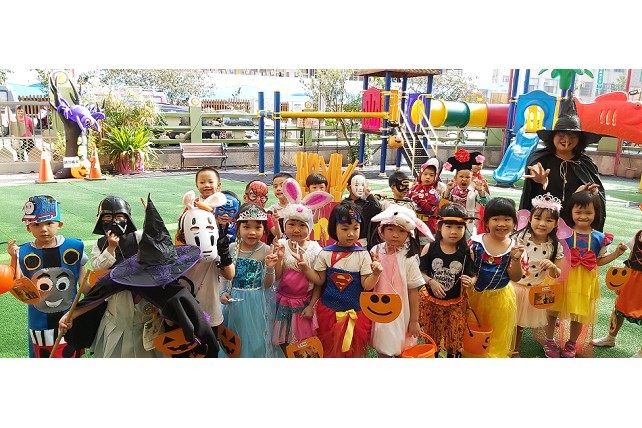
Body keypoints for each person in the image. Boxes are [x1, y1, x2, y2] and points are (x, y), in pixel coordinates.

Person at [543, 191, 627, 358]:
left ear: (596, 213)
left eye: (588, 212)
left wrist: (616, 254)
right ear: (571, 212)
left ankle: (571, 343)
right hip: (561, 276)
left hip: (585, 281)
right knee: (552, 310)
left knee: (579, 314)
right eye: (578, 212)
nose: (583, 216)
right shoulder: (563, 232)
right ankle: (549, 340)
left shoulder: (600, 237)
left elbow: (598, 261)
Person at [82, 195, 167, 358]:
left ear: (127, 218)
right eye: (108, 217)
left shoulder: (138, 237)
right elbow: (98, 267)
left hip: (143, 295)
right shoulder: (99, 244)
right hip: (116, 300)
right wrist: (111, 248)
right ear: (100, 219)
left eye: (119, 216)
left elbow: (157, 249)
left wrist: (152, 222)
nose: (114, 221)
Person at [297, 200, 382, 357]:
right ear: (334, 228)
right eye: (345, 228)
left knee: (352, 352)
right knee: (329, 349)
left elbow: (366, 285)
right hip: (329, 313)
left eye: (355, 228)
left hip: (355, 313)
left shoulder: (363, 255)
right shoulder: (326, 253)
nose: (351, 233)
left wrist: (375, 274)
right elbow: (320, 281)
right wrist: (306, 268)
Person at [7, 195, 88, 358]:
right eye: (36, 224)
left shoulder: (74, 247)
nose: (43, 229)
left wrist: (98, 296)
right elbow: (20, 286)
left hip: (69, 317)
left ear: (59, 224)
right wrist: (14, 258)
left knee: (69, 353)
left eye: (49, 223)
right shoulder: (23, 252)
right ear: (28, 227)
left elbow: (85, 285)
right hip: (39, 320)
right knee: (42, 353)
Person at [520, 99, 606, 231]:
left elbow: (597, 199)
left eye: (573, 135)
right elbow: (535, 168)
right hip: (544, 226)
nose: (566, 139)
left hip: (574, 226)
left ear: (580, 140)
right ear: (553, 136)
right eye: (561, 134)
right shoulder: (541, 157)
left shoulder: (585, 163)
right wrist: (538, 177)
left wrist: (586, 195)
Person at [271, 179, 333, 353]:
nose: (296, 230)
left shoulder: (315, 249)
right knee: (283, 338)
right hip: (283, 301)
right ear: (285, 225)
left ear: (310, 227)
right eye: (291, 224)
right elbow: (277, 277)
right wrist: (279, 259)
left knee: (304, 342)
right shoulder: (282, 245)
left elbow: (319, 282)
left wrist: (311, 305)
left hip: (304, 303)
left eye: (301, 225)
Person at [368, 204, 432, 357]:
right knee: (382, 346)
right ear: (382, 230)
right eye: (390, 229)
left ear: (408, 234)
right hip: (378, 307)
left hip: (401, 311)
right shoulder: (375, 251)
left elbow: (413, 291)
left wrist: (414, 320)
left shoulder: (409, 257)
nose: (395, 235)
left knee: (401, 347)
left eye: (401, 231)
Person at [219, 203, 282, 358]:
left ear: (264, 229)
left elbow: (267, 285)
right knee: (232, 339)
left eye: (258, 227)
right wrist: (222, 293)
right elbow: (224, 276)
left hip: (255, 303)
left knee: (255, 341)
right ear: (238, 228)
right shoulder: (232, 248)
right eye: (246, 227)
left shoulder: (266, 250)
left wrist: (269, 267)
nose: (252, 232)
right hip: (232, 302)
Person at [467, 197, 524, 358]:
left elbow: (516, 277)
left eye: (507, 219)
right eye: (496, 219)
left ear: (514, 222)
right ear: (486, 221)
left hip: (500, 300)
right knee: (471, 333)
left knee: (496, 337)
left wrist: (516, 259)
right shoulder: (474, 243)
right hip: (472, 297)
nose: (501, 224)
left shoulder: (515, 247)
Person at [511, 193, 565, 358]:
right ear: (529, 219)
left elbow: (557, 274)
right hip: (512, 287)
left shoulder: (554, 246)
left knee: (519, 325)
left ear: (556, 224)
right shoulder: (519, 238)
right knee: (506, 321)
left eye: (549, 220)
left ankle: (514, 350)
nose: (542, 223)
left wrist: (552, 266)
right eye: (538, 218)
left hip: (532, 291)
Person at [419, 203, 476, 358]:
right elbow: (420, 273)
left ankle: (453, 355)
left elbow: (473, 274)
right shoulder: (430, 248)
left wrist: (471, 281)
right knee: (432, 336)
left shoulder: (467, 252)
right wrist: (431, 281)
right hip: (431, 303)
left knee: (454, 337)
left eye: (459, 227)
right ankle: (433, 355)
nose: (454, 231)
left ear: (465, 228)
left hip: (456, 304)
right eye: (449, 226)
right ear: (439, 227)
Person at [592, 226, 642, 358]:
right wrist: (622, 279)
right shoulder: (638, 234)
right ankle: (611, 337)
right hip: (632, 277)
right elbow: (631, 258)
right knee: (619, 306)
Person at [443, 149, 489, 236]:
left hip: (469, 224)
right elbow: (443, 201)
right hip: (453, 222)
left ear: (471, 178)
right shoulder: (452, 190)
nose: (464, 179)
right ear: (456, 177)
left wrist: (480, 191)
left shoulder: (474, 192)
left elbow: (486, 203)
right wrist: (448, 190)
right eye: (461, 176)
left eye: (467, 177)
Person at [407, 158, 446, 235]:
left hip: (427, 226)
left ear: (435, 177)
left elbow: (429, 209)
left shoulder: (433, 193)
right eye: (425, 174)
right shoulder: (414, 188)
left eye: (431, 175)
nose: (428, 177)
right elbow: (407, 200)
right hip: (412, 224)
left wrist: (418, 199)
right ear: (420, 174)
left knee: (425, 242)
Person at [343, 172, 382, 248]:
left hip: (363, 243)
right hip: (346, 240)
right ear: (348, 188)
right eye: (356, 185)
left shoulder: (367, 204)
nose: (360, 188)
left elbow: (378, 209)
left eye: (363, 185)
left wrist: (369, 195)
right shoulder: (344, 204)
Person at [267, 172, 295, 241]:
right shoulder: (271, 210)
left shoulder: (297, 207)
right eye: (275, 186)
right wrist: (276, 222)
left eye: (282, 185)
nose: (278, 189)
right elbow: (276, 235)